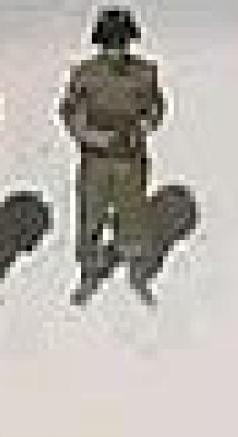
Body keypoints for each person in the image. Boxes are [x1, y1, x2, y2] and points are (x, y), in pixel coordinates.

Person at [60, 7, 167, 306]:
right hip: (96, 160)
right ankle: (88, 274)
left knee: (134, 216)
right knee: (91, 217)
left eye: (121, 45)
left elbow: (156, 108)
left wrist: (141, 129)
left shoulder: (145, 73)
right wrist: (95, 137)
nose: (116, 52)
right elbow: (70, 113)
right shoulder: (84, 75)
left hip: (130, 159)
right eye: (110, 45)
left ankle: (138, 274)